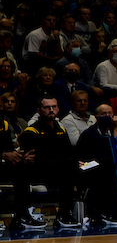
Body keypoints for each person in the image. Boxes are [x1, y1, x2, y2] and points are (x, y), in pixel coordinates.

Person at [18, 96, 83, 229]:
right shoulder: (31, 131)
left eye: (54, 107)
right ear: (39, 110)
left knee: (88, 167)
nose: (51, 110)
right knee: (68, 166)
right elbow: (38, 158)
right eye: (47, 107)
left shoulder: (61, 130)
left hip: (59, 170)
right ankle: (63, 214)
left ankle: (92, 213)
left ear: (58, 109)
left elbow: (68, 153)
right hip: (39, 171)